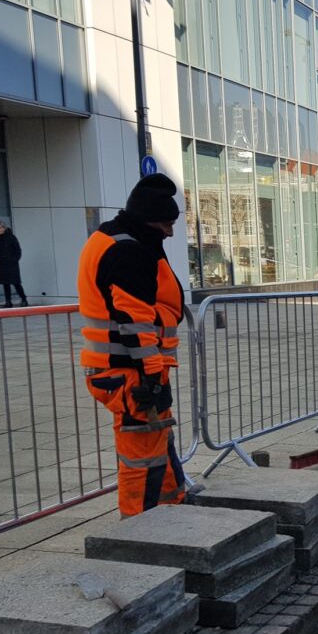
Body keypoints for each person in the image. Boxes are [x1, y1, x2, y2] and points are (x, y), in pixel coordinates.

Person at [78, 174, 186, 517]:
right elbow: (135, 322)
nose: (169, 233)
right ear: (149, 220)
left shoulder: (113, 239)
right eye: (166, 224)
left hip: (126, 368)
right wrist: (152, 377)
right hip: (131, 371)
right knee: (143, 457)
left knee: (156, 442)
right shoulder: (128, 251)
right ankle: (140, 528)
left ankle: (175, 511)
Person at [0, 221, 28, 308]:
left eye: (0, 228)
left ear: (4, 228)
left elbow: (18, 250)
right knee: (5, 283)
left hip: (11, 264)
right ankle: (8, 302)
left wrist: (14, 260)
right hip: (1, 264)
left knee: (16, 283)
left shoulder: (11, 237)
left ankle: (24, 299)